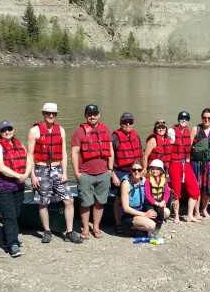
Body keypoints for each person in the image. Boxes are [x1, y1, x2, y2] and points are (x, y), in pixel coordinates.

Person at [27, 103, 82, 244]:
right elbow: (30, 155)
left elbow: (63, 153)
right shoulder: (34, 131)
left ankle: (69, 231)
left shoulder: (61, 130)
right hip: (41, 169)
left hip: (58, 169)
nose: (51, 116)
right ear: (43, 114)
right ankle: (47, 231)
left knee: (69, 200)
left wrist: (64, 172)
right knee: (43, 202)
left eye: (54, 114)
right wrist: (32, 175)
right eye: (48, 113)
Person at [0, 120, 33, 257]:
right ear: (0, 132)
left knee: (16, 213)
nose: (7, 132)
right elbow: (1, 167)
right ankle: (13, 243)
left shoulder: (17, 143)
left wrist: (25, 174)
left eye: (9, 129)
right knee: (9, 216)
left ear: (13, 129)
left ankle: (5, 238)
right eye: (4, 130)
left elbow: (28, 160)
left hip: (19, 185)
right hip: (3, 187)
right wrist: (18, 176)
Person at [71, 104, 114, 239]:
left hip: (103, 173)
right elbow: (74, 153)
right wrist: (77, 173)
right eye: (89, 114)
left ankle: (96, 227)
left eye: (95, 114)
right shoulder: (79, 132)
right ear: (85, 116)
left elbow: (111, 151)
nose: (92, 116)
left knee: (100, 202)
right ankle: (85, 229)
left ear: (99, 115)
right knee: (85, 203)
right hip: (85, 174)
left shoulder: (105, 130)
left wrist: (110, 170)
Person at [111, 112, 143, 234]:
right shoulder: (115, 137)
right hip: (119, 171)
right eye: (125, 122)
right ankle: (118, 223)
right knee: (118, 200)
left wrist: (142, 171)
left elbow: (140, 156)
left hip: (134, 171)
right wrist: (113, 175)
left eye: (130, 122)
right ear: (120, 123)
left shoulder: (136, 136)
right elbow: (110, 158)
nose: (128, 124)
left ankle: (132, 220)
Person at [168, 111, 200, 223]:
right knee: (176, 190)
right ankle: (176, 215)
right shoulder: (171, 132)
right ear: (178, 119)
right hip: (175, 163)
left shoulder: (187, 131)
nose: (184, 120)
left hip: (185, 163)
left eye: (186, 119)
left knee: (195, 190)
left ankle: (189, 215)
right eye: (181, 118)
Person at [190, 108, 210, 218]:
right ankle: (196, 211)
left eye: (209, 118)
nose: (206, 120)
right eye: (204, 118)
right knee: (197, 188)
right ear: (201, 118)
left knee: (208, 189)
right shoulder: (196, 129)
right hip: (197, 164)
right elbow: (188, 148)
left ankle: (204, 209)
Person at [120, 160, 158, 235]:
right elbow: (126, 208)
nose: (137, 172)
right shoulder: (126, 184)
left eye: (139, 170)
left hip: (141, 208)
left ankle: (141, 229)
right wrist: (144, 214)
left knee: (162, 213)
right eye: (134, 170)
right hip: (129, 214)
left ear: (143, 170)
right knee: (151, 225)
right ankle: (129, 227)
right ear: (131, 170)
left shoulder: (144, 180)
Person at [144, 159, 171, 236]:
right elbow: (147, 194)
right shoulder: (148, 180)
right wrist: (155, 203)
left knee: (161, 214)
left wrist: (163, 202)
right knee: (151, 214)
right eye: (153, 169)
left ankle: (157, 228)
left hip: (160, 201)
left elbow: (167, 193)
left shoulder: (164, 180)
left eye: (157, 169)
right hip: (150, 202)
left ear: (161, 171)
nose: (155, 171)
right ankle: (149, 230)